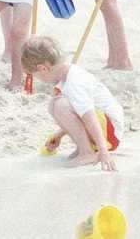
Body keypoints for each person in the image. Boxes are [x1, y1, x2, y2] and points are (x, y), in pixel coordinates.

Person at [21, 35, 123, 171]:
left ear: (43, 69)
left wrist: (103, 150)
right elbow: (78, 113)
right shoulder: (66, 76)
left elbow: (89, 116)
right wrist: (59, 134)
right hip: (104, 128)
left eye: (35, 75)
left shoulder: (74, 83)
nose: (38, 79)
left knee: (58, 105)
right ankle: (84, 148)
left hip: (110, 133)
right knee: (55, 105)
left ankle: (87, 153)